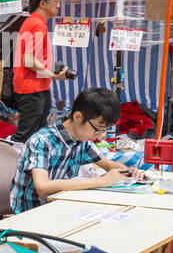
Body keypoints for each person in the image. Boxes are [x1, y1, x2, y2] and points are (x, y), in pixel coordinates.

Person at [9, 87, 139, 213]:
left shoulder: (82, 141)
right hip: (31, 212)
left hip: (58, 208)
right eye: (98, 129)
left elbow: (110, 165)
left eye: (104, 131)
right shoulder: (42, 141)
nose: (99, 136)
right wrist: (103, 181)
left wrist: (128, 172)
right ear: (78, 117)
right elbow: (42, 187)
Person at [13, 0, 68, 144]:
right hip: (32, 88)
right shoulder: (36, 24)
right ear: (43, 4)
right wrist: (54, 75)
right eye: (56, 1)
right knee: (25, 136)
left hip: (37, 87)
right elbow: (28, 60)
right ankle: (2, 163)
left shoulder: (35, 23)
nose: (58, 5)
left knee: (36, 135)